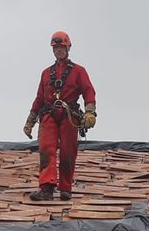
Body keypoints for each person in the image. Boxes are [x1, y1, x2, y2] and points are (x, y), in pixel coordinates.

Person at [22, 31, 97, 201]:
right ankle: (46, 188)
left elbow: (88, 91)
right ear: (53, 50)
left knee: (68, 153)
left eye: (62, 47)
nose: (59, 50)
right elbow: (39, 98)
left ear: (68, 47)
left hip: (69, 116)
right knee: (46, 150)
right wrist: (30, 121)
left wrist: (90, 112)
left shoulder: (79, 71)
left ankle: (65, 188)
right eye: (56, 48)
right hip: (48, 115)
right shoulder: (46, 73)